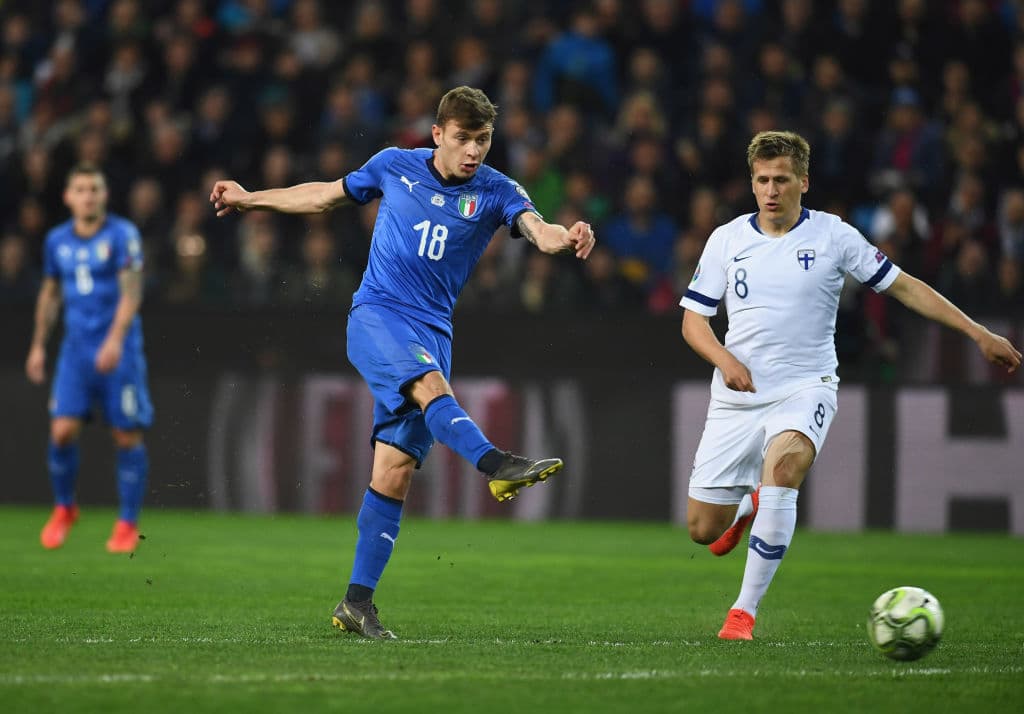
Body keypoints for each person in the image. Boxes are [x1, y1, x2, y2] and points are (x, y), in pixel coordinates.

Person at [209, 86, 596, 639]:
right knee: (430, 386)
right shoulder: (394, 165)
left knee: (394, 472)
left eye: (483, 140)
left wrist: (564, 239)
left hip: (434, 331)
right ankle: (494, 465)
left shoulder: (496, 190)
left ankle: (356, 604)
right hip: (378, 315)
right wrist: (249, 199)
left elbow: (538, 228)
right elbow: (323, 196)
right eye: (463, 138)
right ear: (437, 134)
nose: (473, 151)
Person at [679, 131, 1021, 641]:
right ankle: (747, 505)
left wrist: (977, 332)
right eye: (762, 180)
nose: (771, 190)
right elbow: (693, 322)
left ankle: (742, 614)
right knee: (702, 528)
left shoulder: (834, 237)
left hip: (807, 385)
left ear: (804, 182)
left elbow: (904, 287)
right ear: (752, 183)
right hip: (738, 396)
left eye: (782, 180)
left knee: (786, 468)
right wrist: (724, 358)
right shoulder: (727, 239)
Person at [26, 163, 154, 554]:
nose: (87, 196)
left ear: (104, 196)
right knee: (62, 431)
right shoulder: (56, 241)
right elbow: (50, 294)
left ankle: (127, 523)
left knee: (125, 434)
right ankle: (65, 508)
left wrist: (114, 341)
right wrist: (38, 345)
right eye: (80, 189)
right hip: (76, 351)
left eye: (94, 189)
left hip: (120, 351)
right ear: (68, 197)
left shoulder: (122, 235)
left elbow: (132, 293)